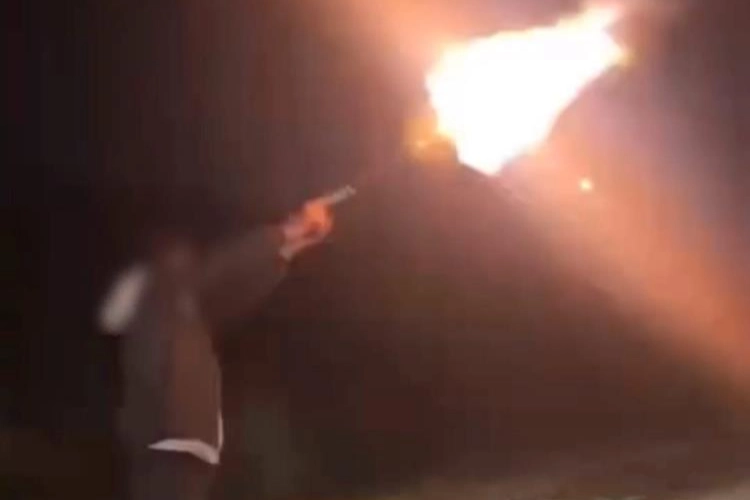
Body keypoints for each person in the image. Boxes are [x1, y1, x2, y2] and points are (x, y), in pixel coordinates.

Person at [98, 198, 333, 500]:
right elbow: (225, 265)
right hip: (171, 450)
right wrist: (288, 231)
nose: (186, 262)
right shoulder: (160, 299)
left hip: (184, 453)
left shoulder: (180, 320)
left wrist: (292, 247)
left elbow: (239, 295)